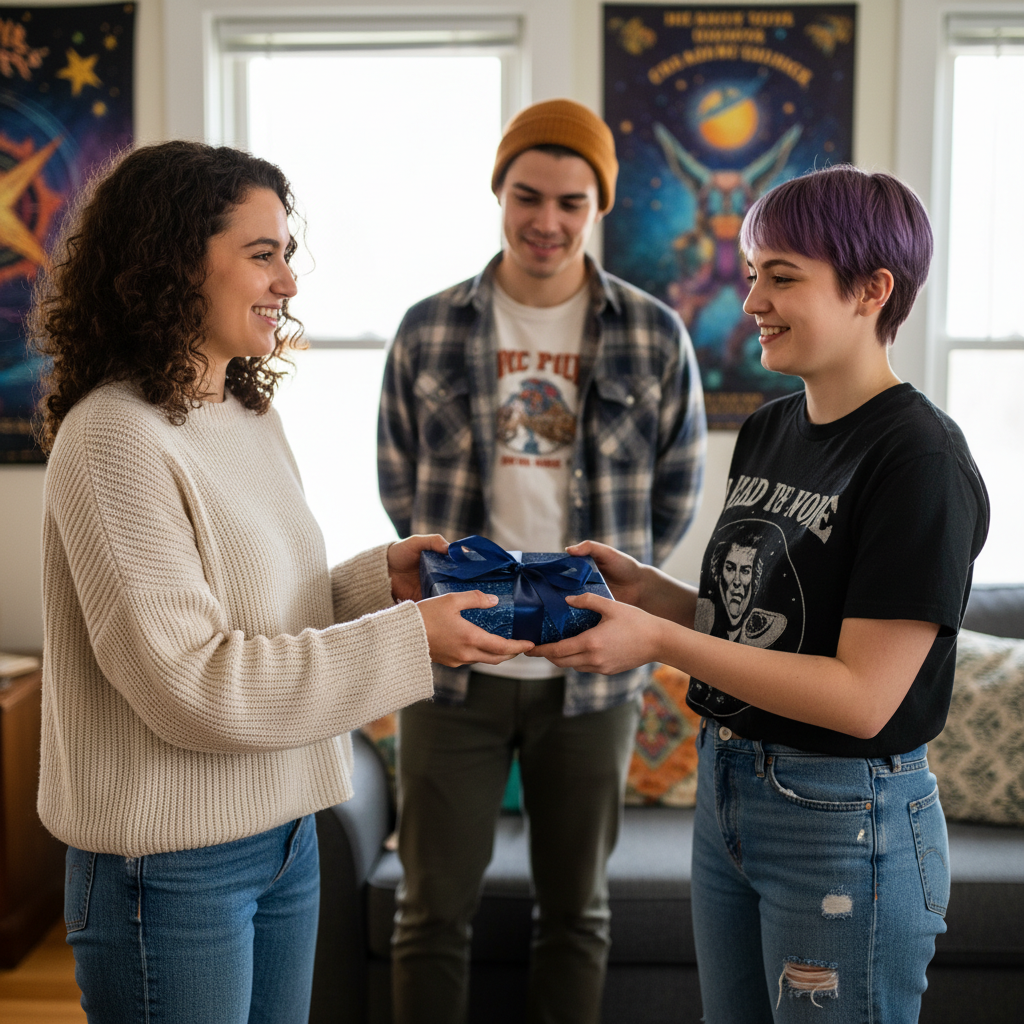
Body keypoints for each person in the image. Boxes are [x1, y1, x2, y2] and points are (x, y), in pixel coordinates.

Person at [30, 141, 531, 1024]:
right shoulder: (112, 438)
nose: (289, 283)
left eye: (287, 254)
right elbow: (194, 684)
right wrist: (412, 640)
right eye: (262, 255)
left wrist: (383, 583)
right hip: (173, 870)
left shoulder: (248, 412)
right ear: (173, 264)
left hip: (287, 838)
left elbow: (267, 614)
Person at [530, 165, 990, 1023]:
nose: (751, 302)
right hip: (731, 784)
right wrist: (656, 596)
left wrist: (658, 642)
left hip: (845, 815)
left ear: (871, 290)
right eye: (750, 275)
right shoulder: (774, 427)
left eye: (782, 277)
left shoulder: (919, 462)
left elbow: (860, 699)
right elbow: (757, 629)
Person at [377, 99, 706, 1024]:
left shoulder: (652, 333)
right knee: (430, 911)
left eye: (572, 201)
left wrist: (598, 592)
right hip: (452, 664)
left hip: (591, 672)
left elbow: (675, 490)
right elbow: (398, 481)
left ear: (597, 206)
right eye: (527, 195)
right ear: (500, 192)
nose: (547, 222)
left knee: (577, 913)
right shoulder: (428, 328)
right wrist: (458, 592)